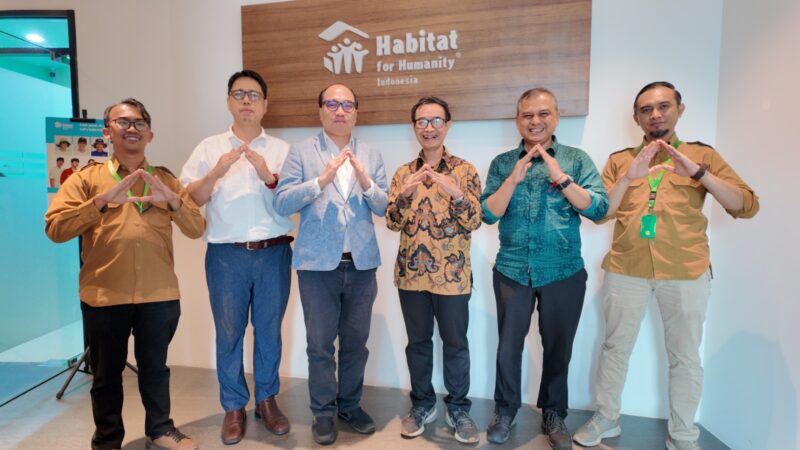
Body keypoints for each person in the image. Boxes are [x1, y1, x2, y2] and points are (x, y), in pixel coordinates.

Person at [573, 81, 760, 450]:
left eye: (663, 106)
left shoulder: (701, 154)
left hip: (686, 270)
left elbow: (746, 205)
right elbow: (601, 213)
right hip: (626, 268)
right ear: (636, 118)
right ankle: (606, 419)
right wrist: (628, 178)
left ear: (679, 110)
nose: (655, 115)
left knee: (685, 358)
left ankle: (683, 435)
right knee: (614, 348)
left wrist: (699, 174)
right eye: (646, 109)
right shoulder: (620, 160)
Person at [44, 98, 205, 450]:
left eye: (139, 123)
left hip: (159, 294)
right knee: (105, 376)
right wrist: (101, 202)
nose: (132, 128)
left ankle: (160, 430)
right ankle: (107, 440)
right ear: (107, 132)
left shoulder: (165, 179)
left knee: (156, 369)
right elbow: (55, 228)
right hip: (104, 294)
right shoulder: (86, 180)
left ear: (150, 134)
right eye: (123, 122)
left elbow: (196, 228)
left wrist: (173, 200)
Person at [480, 88, 608, 449]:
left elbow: (598, 209)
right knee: (508, 347)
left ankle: (553, 413)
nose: (535, 121)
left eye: (543, 114)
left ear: (556, 116)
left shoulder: (575, 159)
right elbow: (488, 213)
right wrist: (513, 179)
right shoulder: (503, 163)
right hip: (512, 270)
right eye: (527, 115)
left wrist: (560, 176)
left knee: (557, 347)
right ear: (517, 119)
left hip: (563, 271)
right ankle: (505, 410)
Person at [180, 70, 294, 445]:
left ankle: (266, 399)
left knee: (269, 331)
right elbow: (190, 199)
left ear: (265, 104)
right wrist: (217, 172)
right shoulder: (208, 148)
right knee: (228, 332)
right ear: (229, 101)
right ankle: (233, 405)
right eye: (239, 94)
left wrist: (267, 175)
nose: (247, 101)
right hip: (225, 255)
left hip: (273, 251)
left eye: (254, 95)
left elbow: (295, 203)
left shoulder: (282, 150)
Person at [273, 83, 388, 446]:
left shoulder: (371, 154)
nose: (340, 111)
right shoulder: (300, 152)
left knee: (356, 343)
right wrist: (320, 181)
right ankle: (323, 412)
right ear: (321, 110)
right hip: (317, 265)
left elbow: (383, 206)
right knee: (320, 344)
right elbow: (282, 202)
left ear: (356, 112)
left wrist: (366, 183)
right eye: (333, 104)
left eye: (348, 105)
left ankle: (350, 405)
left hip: (362, 264)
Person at [385, 96, 482, 444]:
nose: (429, 128)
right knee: (418, 344)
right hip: (411, 277)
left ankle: (459, 409)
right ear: (414, 127)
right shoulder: (403, 173)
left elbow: (475, 220)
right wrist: (404, 195)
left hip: (453, 277)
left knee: (455, 344)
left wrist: (456, 193)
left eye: (436, 121)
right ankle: (422, 404)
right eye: (422, 122)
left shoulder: (465, 170)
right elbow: (392, 222)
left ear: (448, 125)